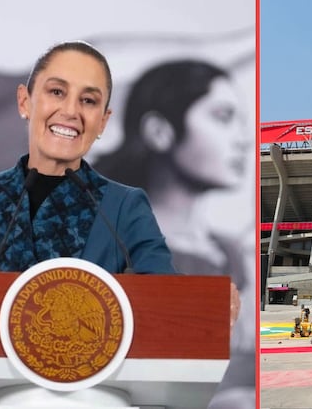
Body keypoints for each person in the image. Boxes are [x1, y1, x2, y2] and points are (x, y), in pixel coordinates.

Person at [0, 41, 241, 360]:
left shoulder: (124, 207)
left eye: (89, 100)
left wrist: (209, 310)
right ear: (25, 102)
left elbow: (169, 308)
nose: (70, 111)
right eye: (57, 92)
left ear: (104, 122)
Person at [92, 60, 253, 406]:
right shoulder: (102, 240)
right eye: (223, 117)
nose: (244, 140)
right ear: (159, 131)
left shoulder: (228, 253)